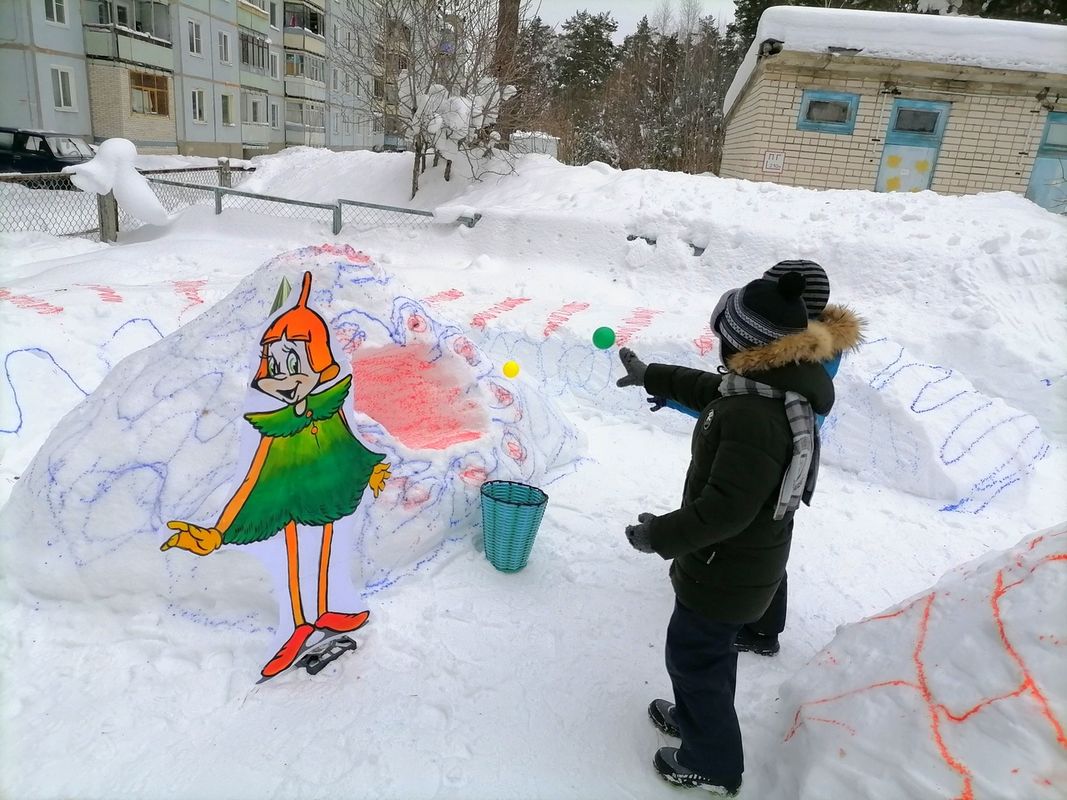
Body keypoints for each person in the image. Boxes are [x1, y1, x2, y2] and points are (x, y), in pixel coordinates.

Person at [616, 271, 835, 794]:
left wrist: (661, 536)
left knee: (694, 660)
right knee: (705, 657)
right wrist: (653, 375)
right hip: (738, 564)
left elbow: (725, 512)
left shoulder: (755, 415)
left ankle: (711, 763)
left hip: (725, 568)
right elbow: (708, 387)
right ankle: (698, 721)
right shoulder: (768, 388)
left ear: (741, 342)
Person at [648, 260, 862, 656]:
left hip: (768, 461)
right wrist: (664, 384)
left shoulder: (775, 380)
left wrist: (661, 535)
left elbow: (742, 412)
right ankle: (761, 625)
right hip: (783, 463)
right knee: (766, 538)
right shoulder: (799, 352)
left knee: (753, 537)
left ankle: (758, 627)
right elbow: (734, 395)